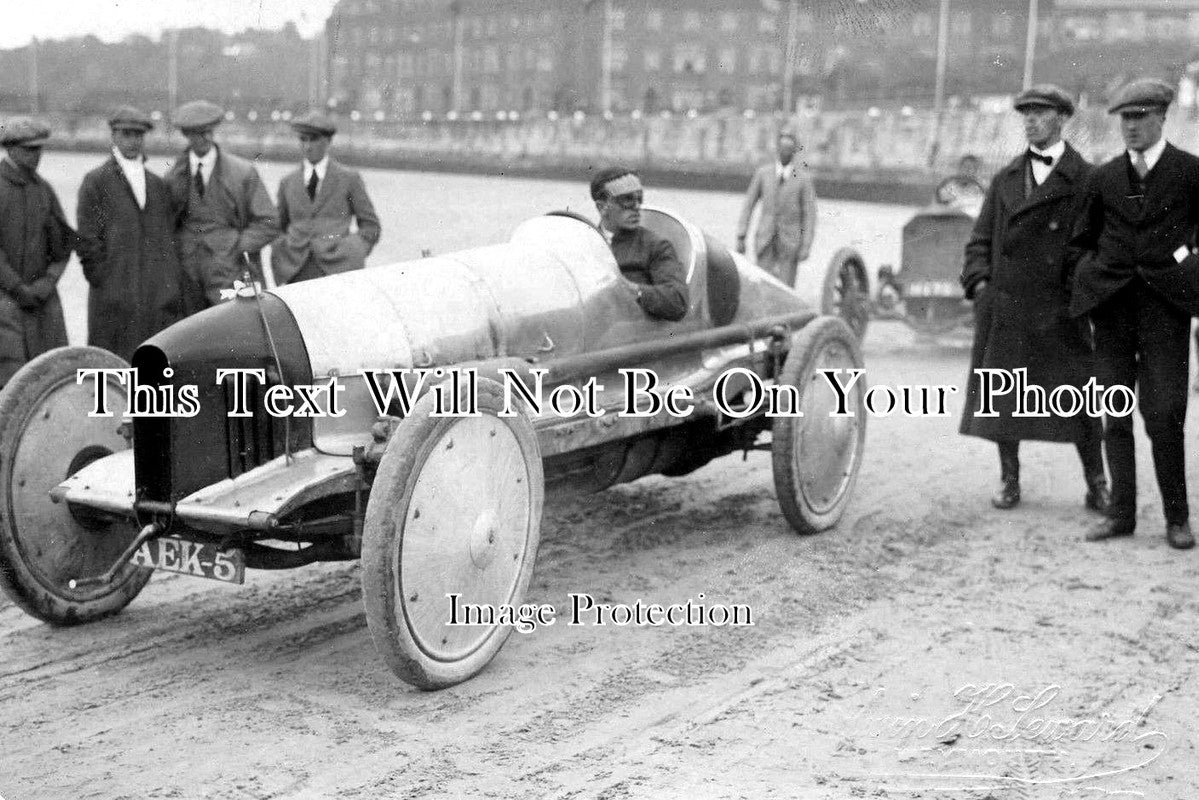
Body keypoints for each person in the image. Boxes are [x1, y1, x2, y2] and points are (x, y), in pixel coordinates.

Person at [959, 84, 1107, 514]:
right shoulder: (1005, 178)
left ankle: (1097, 484)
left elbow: (1099, 245)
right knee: (1005, 399)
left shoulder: (1087, 179)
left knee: (1078, 400)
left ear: (1062, 119)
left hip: (1061, 310)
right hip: (1007, 309)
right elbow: (979, 241)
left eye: (1040, 114)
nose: (1031, 121)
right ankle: (1010, 480)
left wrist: (1082, 294)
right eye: (1026, 114)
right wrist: (981, 286)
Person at [1070, 78, 1199, 551]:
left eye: (1141, 117)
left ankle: (1176, 518)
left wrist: (1186, 268)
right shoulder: (1102, 178)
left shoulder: (1190, 172)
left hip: (1167, 310)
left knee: (1165, 414)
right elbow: (1079, 243)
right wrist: (1093, 276)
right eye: (1125, 118)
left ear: (1162, 117)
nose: (1132, 127)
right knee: (1114, 413)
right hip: (1113, 312)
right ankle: (1120, 514)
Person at [76, 106, 186, 360]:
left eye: (139, 135)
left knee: (150, 369)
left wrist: (168, 285)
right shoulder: (95, 181)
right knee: (111, 367)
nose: (134, 141)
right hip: (113, 296)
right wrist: (104, 280)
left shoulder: (157, 185)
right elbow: (87, 240)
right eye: (126, 134)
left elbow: (168, 238)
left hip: (153, 296)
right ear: (113, 136)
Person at [165, 100, 279, 309]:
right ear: (187, 135)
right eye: (199, 133)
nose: (207, 137)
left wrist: (237, 245)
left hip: (230, 276)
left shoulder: (242, 173)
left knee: (232, 333)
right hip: (186, 276)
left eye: (210, 131)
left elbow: (269, 222)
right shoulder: (173, 177)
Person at [0, 118, 74, 388]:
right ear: (10, 149)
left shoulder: (45, 191)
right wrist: (16, 286)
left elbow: (64, 245)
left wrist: (46, 283)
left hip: (43, 303)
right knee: (9, 382)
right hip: (5, 301)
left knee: (50, 380)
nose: (36, 156)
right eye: (29, 150)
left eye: (39, 149)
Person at [271, 111, 381, 285]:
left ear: (328, 141)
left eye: (313, 139)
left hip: (339, 266)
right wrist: (281, 248)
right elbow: (278, 226)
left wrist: (355, 250)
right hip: (295, 268)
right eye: (303, 139)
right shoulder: (288, 182)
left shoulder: (349, 179)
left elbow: (371, 226)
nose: (307, 146)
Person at [589, 166, 688, 321]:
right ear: (602, 207)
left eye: (639, 198)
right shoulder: (586, 245)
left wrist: (630, 289)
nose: (636, 207)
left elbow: (677, 302)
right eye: (627, 200)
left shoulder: (656, 246)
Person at [735, 129, 817, 288]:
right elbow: (748, 205)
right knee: (762, 286)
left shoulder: (803, 179)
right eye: (782, 147)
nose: (785, 152)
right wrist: (741, 235)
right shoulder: (763, 174)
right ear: (777, 149)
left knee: (785, 289)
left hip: (790, 244)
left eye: (789, 148)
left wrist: (806, 245)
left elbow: (809, 216)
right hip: (765, 239)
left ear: (794, 151)